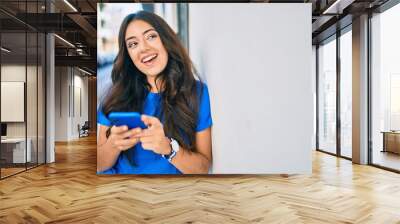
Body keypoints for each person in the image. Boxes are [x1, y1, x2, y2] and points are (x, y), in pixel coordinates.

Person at [97, 11, 213, 174]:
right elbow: (99, 165)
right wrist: (113, 145)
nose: (143, 48)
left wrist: (168, 147)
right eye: (133, 44)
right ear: (128, 55)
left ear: (166, 41)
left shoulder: (197, 93)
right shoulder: (114, 97)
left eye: (151, 36)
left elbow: (203, 167)